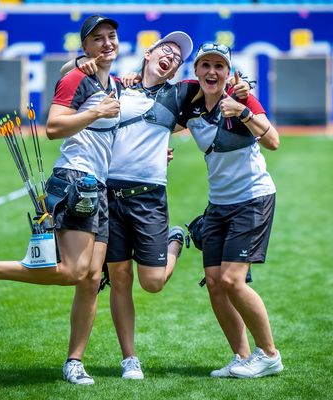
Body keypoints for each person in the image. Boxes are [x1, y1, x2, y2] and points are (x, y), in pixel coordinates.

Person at [0, 15, 121, 386]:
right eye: (98, 38)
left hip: (99, 187)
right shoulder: (78, 79)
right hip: (77, 180)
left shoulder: (112, 82)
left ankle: (74, 362)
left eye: (112, 36)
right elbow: (52, 127)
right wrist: (95, 110)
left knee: (91, 280)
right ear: (85, 46)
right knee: (75, 271)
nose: (107, 43)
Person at [74, 33, 251, 380]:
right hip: (110, 196)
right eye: (165, 51)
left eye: (177, 57)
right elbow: (75, 74)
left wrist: (244, 91)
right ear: (148, 54)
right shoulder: (118, 86)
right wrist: (82, 63)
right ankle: (129, 358)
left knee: (152, 282)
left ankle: (173, 241)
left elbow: (217, 76)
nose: (170, 57)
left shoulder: (181, 92)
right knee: (120, 278)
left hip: (149, 199)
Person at [178, 42, 283, 378]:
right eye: (205, 65)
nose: (212, 72)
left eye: (219, 66)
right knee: (214, 282)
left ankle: (269, 354)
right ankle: (241, 356)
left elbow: (274, 141)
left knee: (232, 280)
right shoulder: (188, 101)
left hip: (252, 199)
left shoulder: (242, 98)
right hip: (218, 204)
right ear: (196, 71)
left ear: (228, 71)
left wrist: (245, 112)